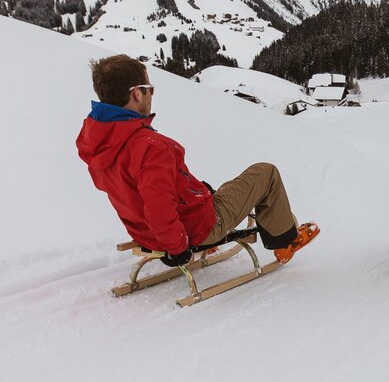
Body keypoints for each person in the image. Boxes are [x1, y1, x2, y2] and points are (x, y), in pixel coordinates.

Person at [76, 54, 317, 267]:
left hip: (144, 233)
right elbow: (158, 205)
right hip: (195, 231)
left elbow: (139, 190)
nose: (151, 94)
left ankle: (198, 218)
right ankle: (286, 241)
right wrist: (178, 248)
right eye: (150, 88)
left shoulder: (97, 141)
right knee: (266, 173)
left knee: (218, 189)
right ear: (137, 93)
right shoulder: (152, 147)